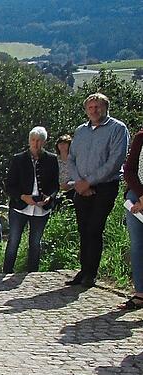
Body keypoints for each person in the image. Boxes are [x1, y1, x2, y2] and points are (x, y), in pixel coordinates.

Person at [66, 93, 130, 287]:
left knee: (95, 228)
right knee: (83, 230)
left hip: (105, 187)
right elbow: (71, 158)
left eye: (98, 107)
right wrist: (79, 182)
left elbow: (115, 161)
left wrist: (89, 182)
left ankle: (90, 274)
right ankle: (83, 270)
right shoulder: (80, 131)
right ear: (86, 110)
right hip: (81, 187)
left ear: (106, 107)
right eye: (91, 107)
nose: (94, 111)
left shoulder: (118, 129)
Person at [3, 127, 60, 273]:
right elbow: (9, 186)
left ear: (44, 142)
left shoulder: (51, 159)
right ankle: (6, 271)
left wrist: (49, 197)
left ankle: (32, 273)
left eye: (39, 141)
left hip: (41, 207)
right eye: (33, 140)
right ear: (29, 141)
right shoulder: (19, 159)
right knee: (14, 240)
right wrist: (23, 196)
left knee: (35, 242)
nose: (36, 144)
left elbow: (55, 184)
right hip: (19, 206)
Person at [121, 130, 143, 310]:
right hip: (137, 197)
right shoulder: (140, 137)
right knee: (138, 246)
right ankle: (140, 293)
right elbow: (129, 170)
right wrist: (142, 196)